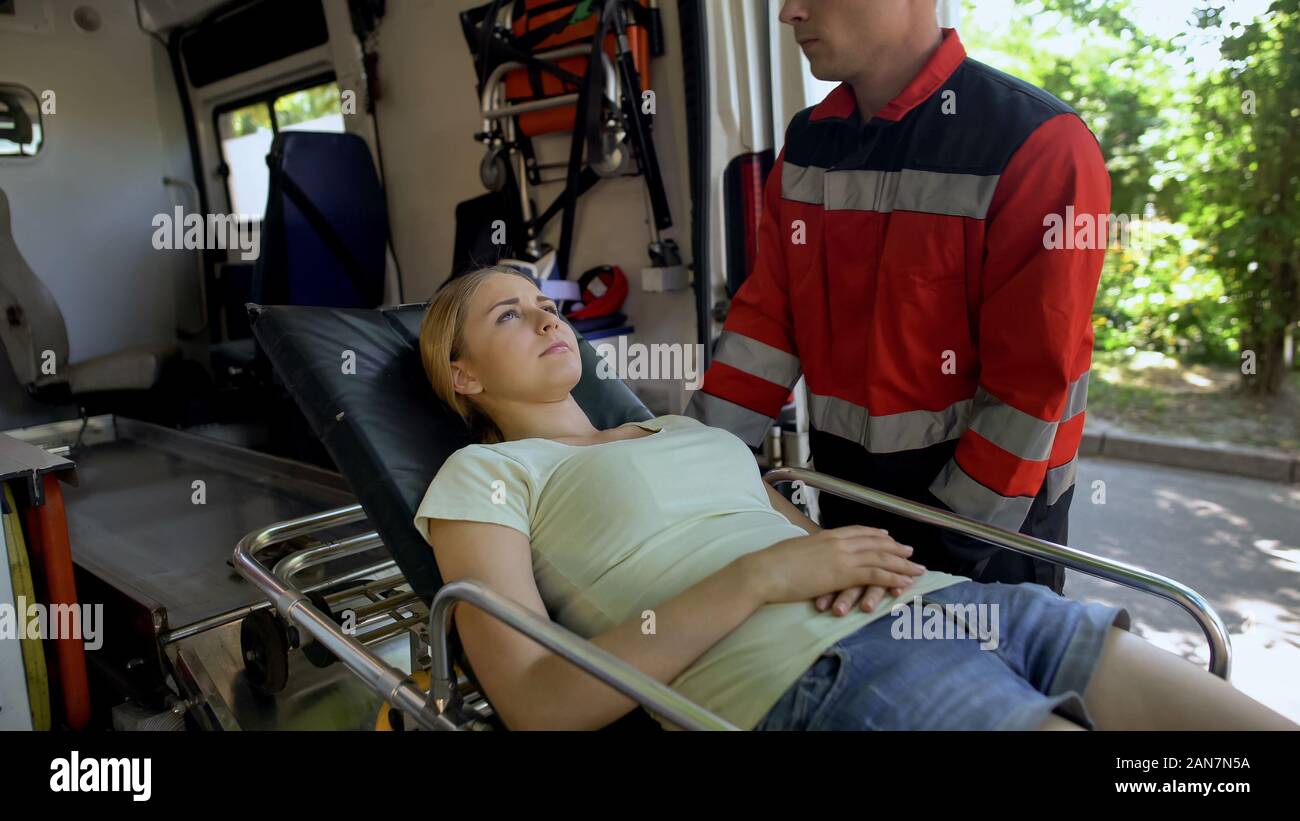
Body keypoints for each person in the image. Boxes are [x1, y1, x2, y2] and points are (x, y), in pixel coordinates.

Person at [411, 268, 1294, 732]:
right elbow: (533, 702)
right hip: (819, 679)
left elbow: (801, 540)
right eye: (507, 316)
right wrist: (757, 579)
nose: (545, 317)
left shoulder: (675, 429)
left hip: (953, 612)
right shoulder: (484, 478)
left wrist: (850, 561)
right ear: (462, 373)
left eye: (543, 301)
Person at [686, 0, 1113, 608]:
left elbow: (1030, 390)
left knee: (986, 699)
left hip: (989, 532)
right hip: (849, 503)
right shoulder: (809, 144)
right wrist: (692, 455)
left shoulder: (1039, 144)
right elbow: (767, 325)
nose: (789, 12)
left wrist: (937, 551)